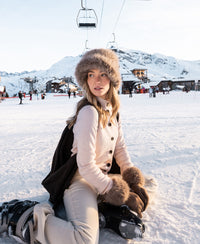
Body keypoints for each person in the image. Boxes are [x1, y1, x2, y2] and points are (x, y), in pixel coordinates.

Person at [0, 49, 149, 244]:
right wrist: (111, 189)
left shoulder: (112, 111)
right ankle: (23, 217)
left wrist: (130, 177)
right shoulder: (89, 112)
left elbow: (120, 148)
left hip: (102, 177)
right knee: (84, 240)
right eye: (91, 74)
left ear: (112, 79)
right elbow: (85, 166)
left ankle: (105, 213)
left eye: (103, 74)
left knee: (145, 192)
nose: (97, 80)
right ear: (85, 80)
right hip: (81, 180)